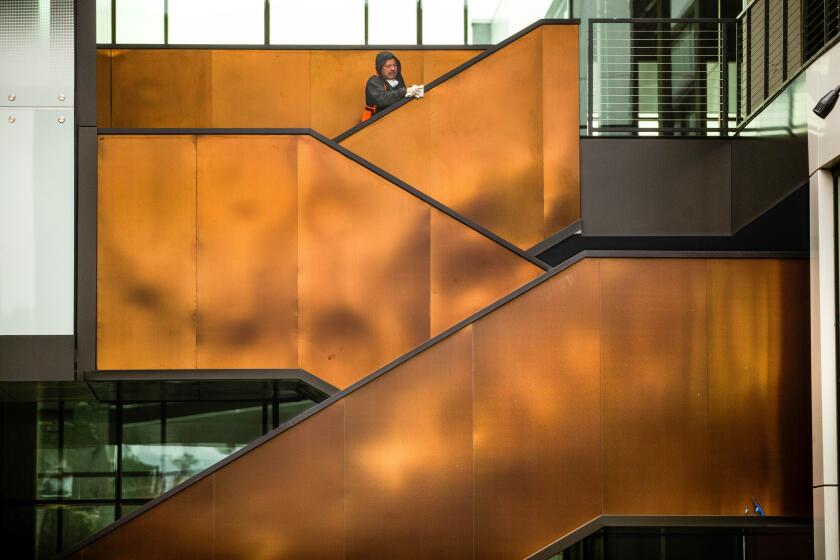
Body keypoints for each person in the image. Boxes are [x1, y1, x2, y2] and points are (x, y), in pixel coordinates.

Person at [362, 51, 423, 122]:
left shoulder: (398, 82)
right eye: (388, 66)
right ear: (380, 68)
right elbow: (382, 99)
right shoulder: (374, 81)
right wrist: (405, 91)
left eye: (395, 65)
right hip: (372, 126)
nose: (393, 69)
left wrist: (413, 91)